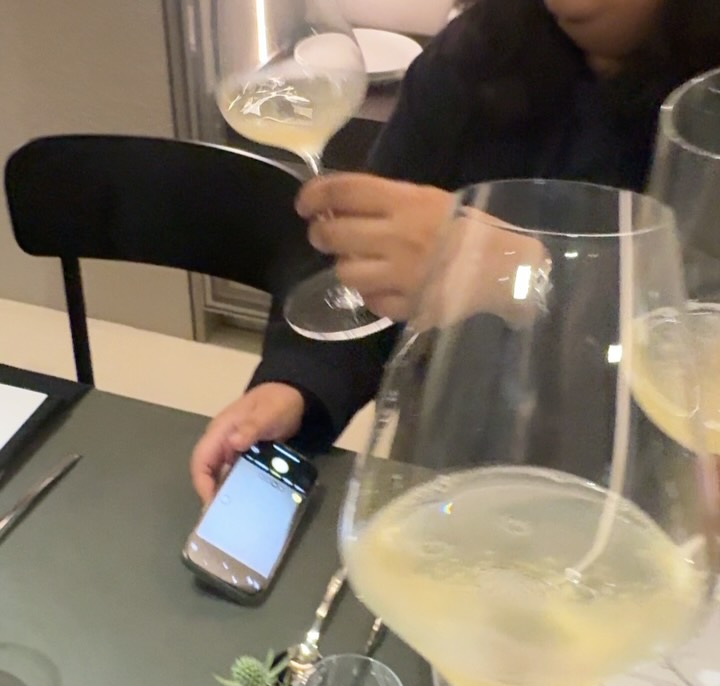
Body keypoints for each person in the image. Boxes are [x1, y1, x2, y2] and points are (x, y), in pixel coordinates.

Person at [191, 0, 720, 503]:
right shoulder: (480, 53)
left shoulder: (702, 115)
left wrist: (519, 274)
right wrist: (297, 383)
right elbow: (377, 255)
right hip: (446, 478)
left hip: (641, 502)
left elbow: (690, 339)